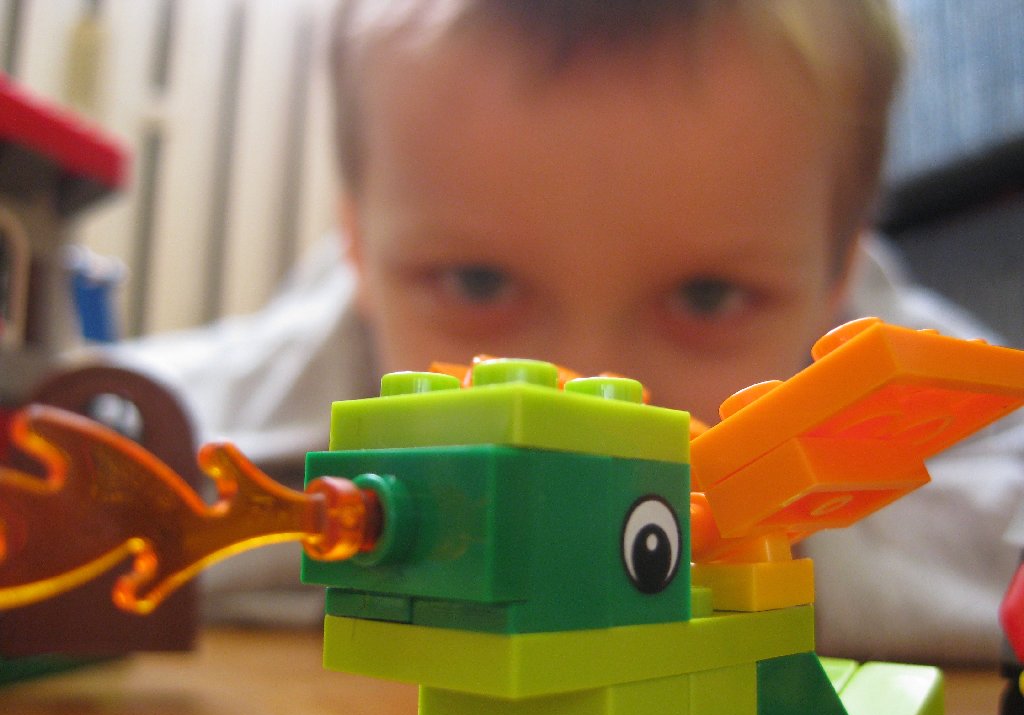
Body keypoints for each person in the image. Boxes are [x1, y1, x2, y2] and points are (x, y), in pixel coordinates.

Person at [107, 0, 1024, 663]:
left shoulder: (895, 357)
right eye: (479, 286)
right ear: (357, 249)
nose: (584, 398)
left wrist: (776, 541)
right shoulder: (289, 379)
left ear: (834, 279)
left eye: (706, 297)